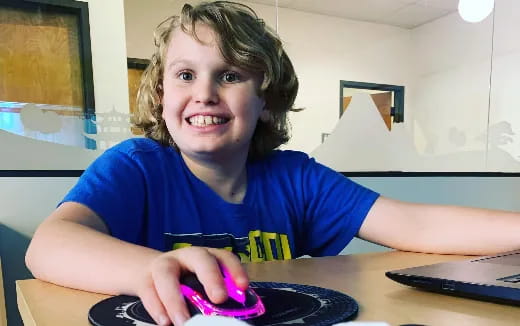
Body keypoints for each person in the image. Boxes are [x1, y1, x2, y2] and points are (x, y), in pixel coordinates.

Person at [25, 1, 520, 326]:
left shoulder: (295, 177)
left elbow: (413, 222)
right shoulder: (136, 166)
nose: (204, 93)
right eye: (184, 75)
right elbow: (49, 245)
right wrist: (152, 268)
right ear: (159, 94)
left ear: (266, 100)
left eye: (230, 75)